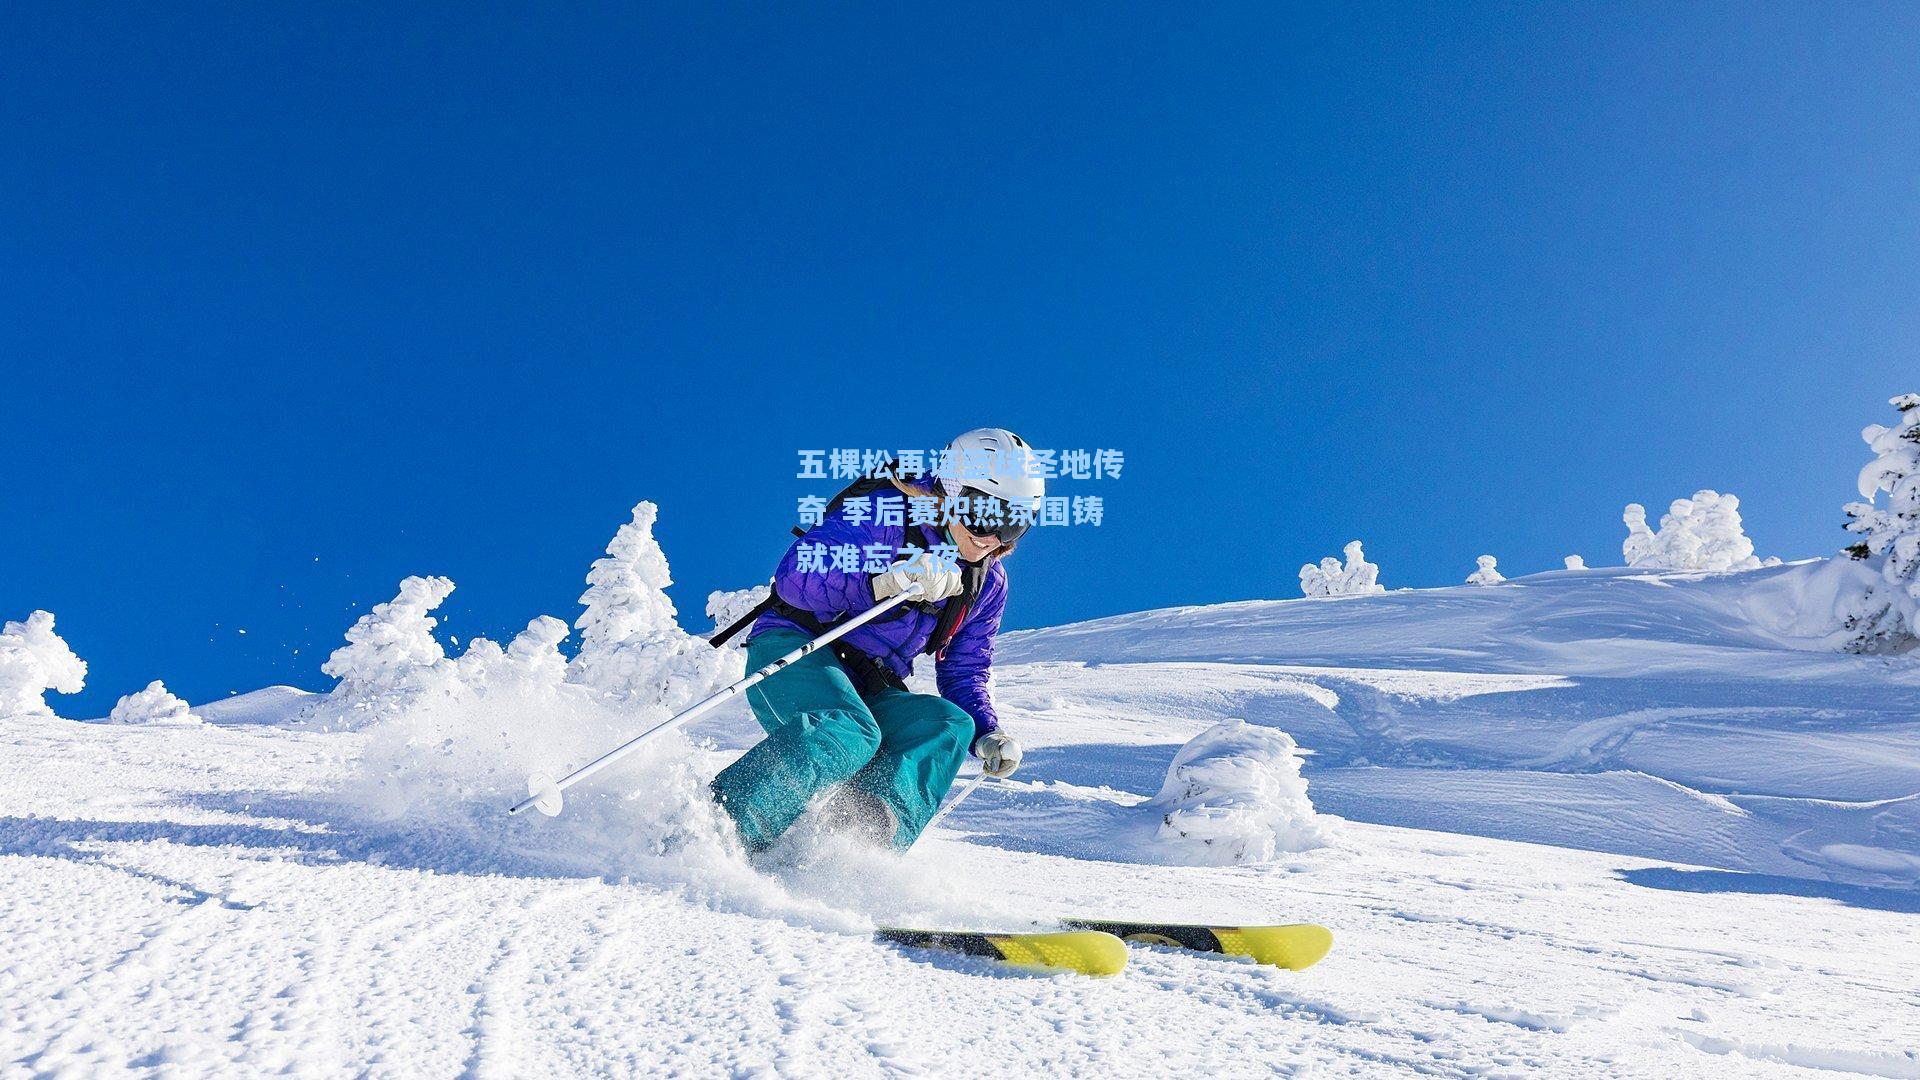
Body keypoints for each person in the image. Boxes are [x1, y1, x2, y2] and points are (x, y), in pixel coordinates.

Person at [710, 427, 1038, 853]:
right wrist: (884, 582)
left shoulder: (986, 582)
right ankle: (720, 833)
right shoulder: (886, 514)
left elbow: (963, 668)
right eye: (983, 515)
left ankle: (851, 852)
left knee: (947, 725)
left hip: (870, 683)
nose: (992, 537)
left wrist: (987, 730)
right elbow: (796, 578)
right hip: (799, 646)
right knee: (847, 730)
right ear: (952, 490)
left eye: (1012, 525)